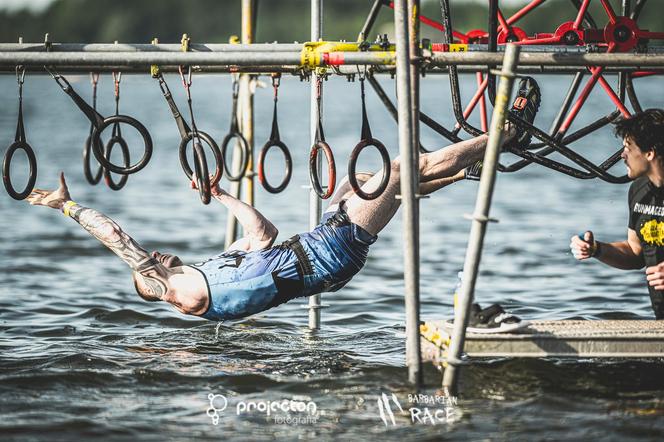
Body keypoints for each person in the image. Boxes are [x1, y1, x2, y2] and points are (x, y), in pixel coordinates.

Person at [26, 78, 540, 323]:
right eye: (149, 267)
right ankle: (508, 133)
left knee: (369, 177)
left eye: (152, 262)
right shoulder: (180, 293)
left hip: (317, 248)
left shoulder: (211, 270)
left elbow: (263, 235)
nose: (154, 257)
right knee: (404, 168)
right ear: (155, 287)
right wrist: (68, 207)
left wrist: (222, 192)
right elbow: (118, 238)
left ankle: (466, 167)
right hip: (326, 254)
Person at [570, 109, 664, 319]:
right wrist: (596, 250)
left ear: (649, 153)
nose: (622, 155)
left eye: (628, 148)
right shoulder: (638, 190)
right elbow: (635, 251)